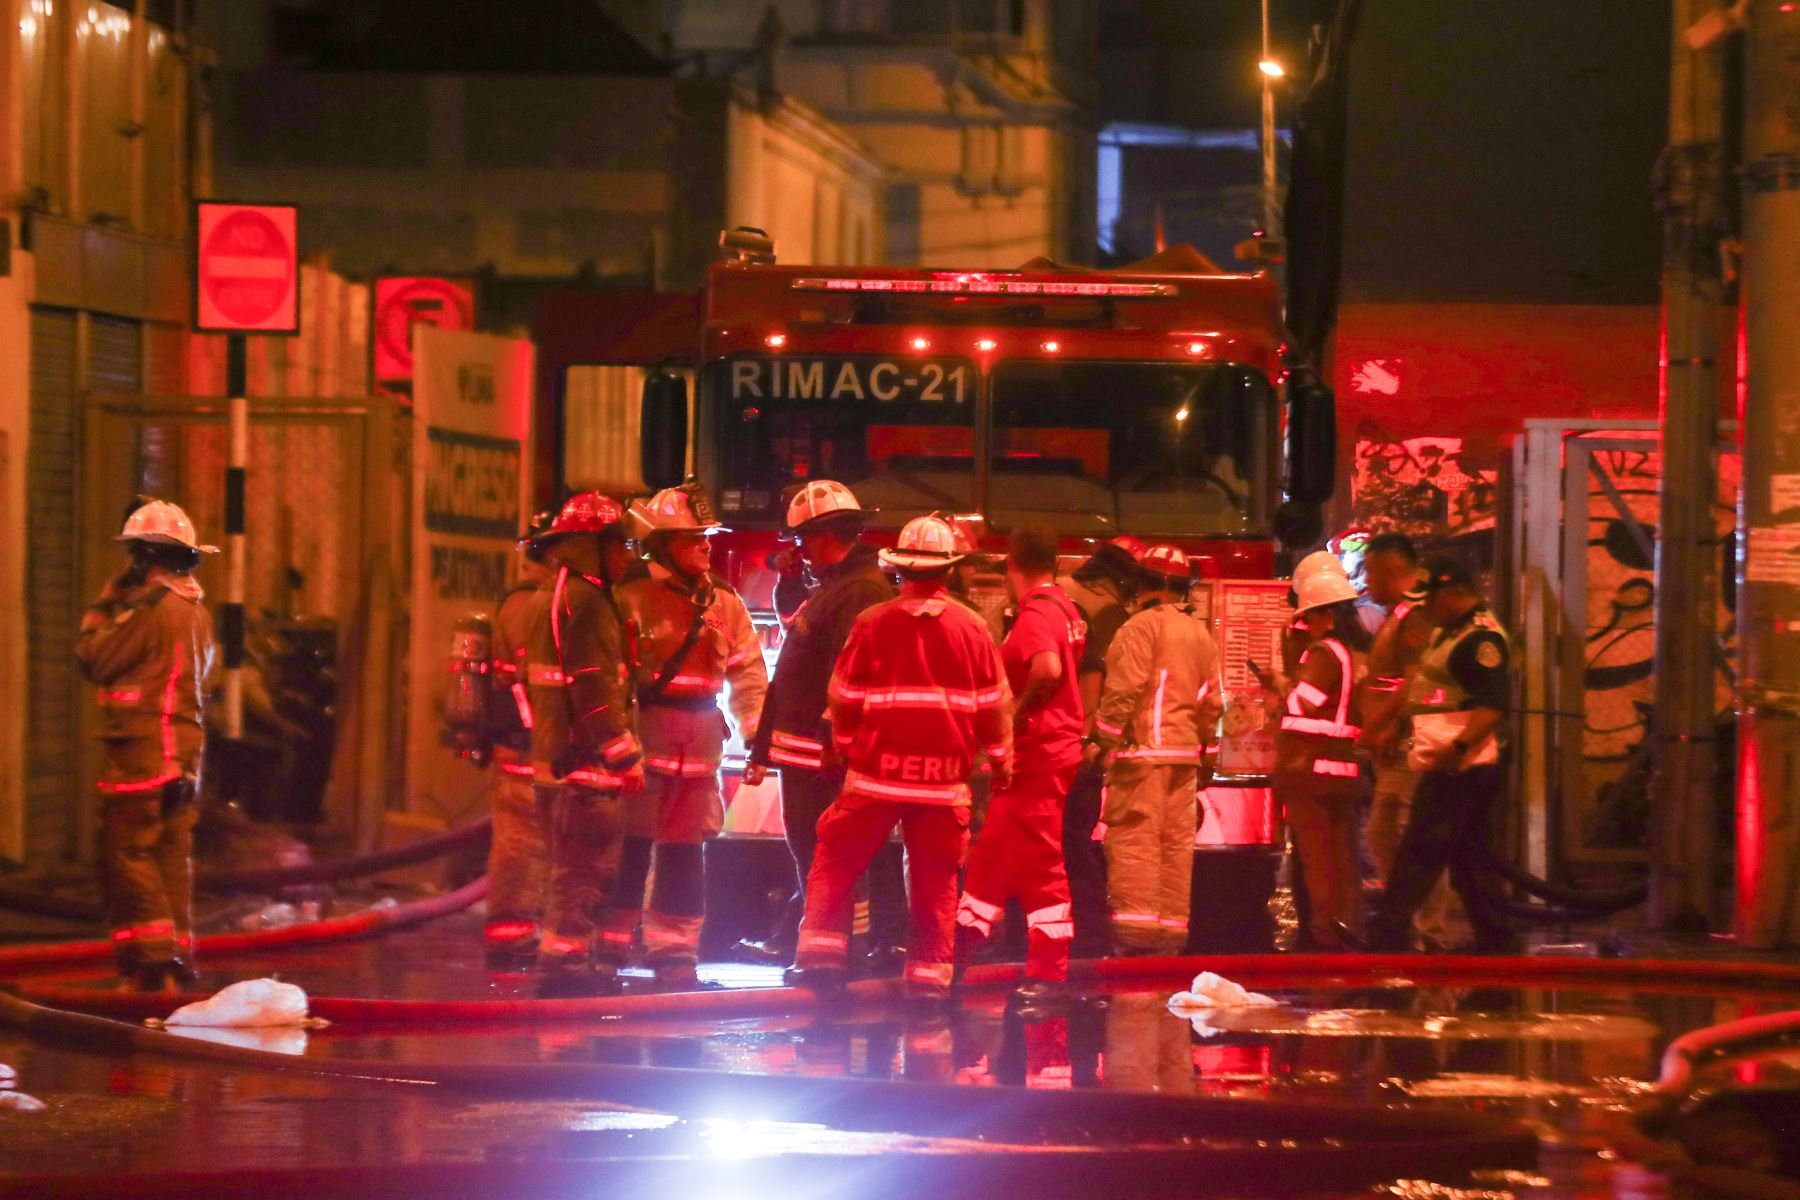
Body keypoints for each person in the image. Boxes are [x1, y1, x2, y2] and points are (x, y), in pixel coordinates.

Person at [787, 515, 1013, 1005]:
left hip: (874, 778)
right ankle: (929, 981)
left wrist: (847, 745)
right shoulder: (973, 629)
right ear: (949, 572)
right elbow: (994, 705)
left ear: (898, 572)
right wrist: (1000, 760)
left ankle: (823, 961)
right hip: (942, 784)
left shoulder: (873, 623)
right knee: (935, 882)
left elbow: (843, 695)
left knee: (837, 860)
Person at [741, 481, 901, 969]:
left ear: (825, 535)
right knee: (814, 852)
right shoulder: (836, 586)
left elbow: (851, 675)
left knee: (832, 854)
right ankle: (815, 937)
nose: (799, 551)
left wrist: (835, 740)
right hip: (805, 752)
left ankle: (842, 949)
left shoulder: (858, 591)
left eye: (802, 541)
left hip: (823, 756)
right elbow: (799, 630)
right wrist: (790, 585)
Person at [614, 483, 767, 988]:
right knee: (628, 850)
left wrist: (757, 740)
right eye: (692, 538)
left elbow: (748, 675)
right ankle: (610, 948)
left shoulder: (724, 602)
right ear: (663, 545)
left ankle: (674, 954)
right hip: (645, 743)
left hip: (699, 748)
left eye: (706, 536)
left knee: (683, 856)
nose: (706, 546)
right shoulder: (630, 597)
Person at [75, 499, 218, 991]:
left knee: (128, 855)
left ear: (141, 557)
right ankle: (172, 962)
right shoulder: (195, 611)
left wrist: (104, 602)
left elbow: (93, 657)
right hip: (184, 754)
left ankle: (151, 966)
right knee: (170, 858)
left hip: (142, 753)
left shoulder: (150, 610)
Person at [955, 525, 1086, 1004]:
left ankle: (1049, 971)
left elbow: (1047, 671)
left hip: (1038, 755)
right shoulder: (1067, 609)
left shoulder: (1034, 614)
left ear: (1012, 565)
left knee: (1040, 864)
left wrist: (1014, 715)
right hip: (1051, 754)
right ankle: (956, 954)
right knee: (990, 857)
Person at [524, 491, 645, 996]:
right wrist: (625, 754)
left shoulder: (555, 593)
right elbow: (594, 686)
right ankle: (566, 966)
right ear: (588, 547)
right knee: (582, 872)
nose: (625, 557)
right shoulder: (589, 602)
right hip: (587, 766)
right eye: (616, 546)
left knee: (568, 866)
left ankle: (566, 957)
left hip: (558, 758)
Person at [1366, 554, 1517, 954]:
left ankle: (1389, 930)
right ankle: (1496, 936)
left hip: (1462, 764)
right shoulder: (1449, 631)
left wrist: (1460, 747)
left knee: (1421, 847)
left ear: (1453, 594)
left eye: (1429, 598)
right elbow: (1422, 688)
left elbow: (1492, 704)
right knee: (1470, 857)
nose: (1424, 607)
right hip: (1447, 759)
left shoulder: (1481, 640)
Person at [1086, 544, 1221, 955]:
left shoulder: (1140, 627)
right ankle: (1170, 940)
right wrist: (1209, 754)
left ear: (1148, 584)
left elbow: (1123, 690)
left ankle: (1135, 941)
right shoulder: (1200, 634)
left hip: (1141, 758)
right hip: (1185, 760)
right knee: (1174, 852)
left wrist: (1100, 742)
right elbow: (1212, 703)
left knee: (1135, 847)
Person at [1357, 534, 1460, 948]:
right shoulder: (1401, 612)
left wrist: (1380, 725)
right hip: (1399, 742)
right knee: (1392, 832)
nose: (1365, 579)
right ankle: (1411, 924)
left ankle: (1425, 928)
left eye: (1369, 570)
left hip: (1409, 743)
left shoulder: (1416, 615)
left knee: (1393, 831)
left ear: (1390, 569)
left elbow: (1415, 681)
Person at [1269, 551, 1370, 951]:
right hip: (1341, 770)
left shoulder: (1323, 653)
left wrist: (1281, 687)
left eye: (1308, 617)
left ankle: (1326, 936)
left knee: (1318, 862)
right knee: (1343, 859)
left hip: (1310, 772)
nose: (1304, 625)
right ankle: (1348, 930)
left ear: (1324, 615)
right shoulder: (1350, 652)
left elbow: (1301, 704)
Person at [1057, 536, 1141, 956]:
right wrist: (1099, 742)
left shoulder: (1056, 593)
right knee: (1083, 845)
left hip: (1051, 741)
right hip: (1078, 747)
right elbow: (1109, 682)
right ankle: (1090, 937)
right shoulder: (1106, 612)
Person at [481, 509, 557, 965]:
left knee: (517, 840)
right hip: (539, 744)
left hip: (518, 741)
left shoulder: (515, 601)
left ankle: (511, 932)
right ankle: (525, 932)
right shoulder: (543, 604)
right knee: (540, 840)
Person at [1355, 530, 1423, 638]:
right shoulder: (1402, 614)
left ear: (1390, 573)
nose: (1366, 580)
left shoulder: (1415, 620)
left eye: (1370, 571)